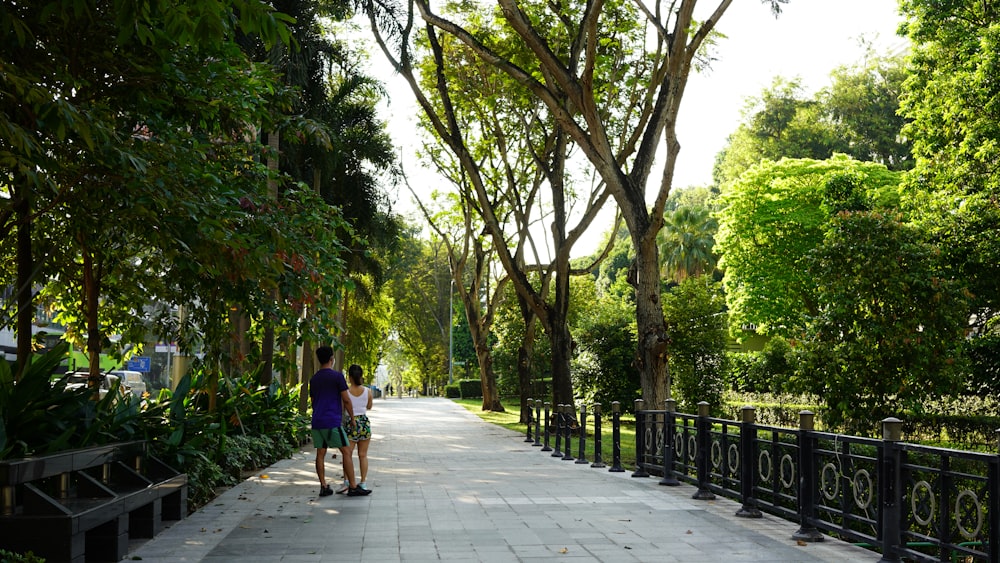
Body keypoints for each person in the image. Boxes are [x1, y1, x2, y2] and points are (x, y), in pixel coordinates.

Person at [309, 346, 371, 497]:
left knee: (320, 454)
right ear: (331, 359)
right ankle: (353, 486)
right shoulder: (337, 377)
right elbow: (346, 400)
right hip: (332, 421)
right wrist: (352, 419)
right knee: (346, 451)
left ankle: (323, 486)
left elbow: (313, 400)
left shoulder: (314, 379)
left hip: (317, 421)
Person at [336, 364, 373, 493]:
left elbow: (342, 408)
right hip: (363, 423)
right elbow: (369, 406)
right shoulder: (368, 391)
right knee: (363, 455)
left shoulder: (345, 392)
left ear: (349, 377)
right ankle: (363, 482)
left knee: (347, 454)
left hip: (350, 424)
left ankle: (346, 481)